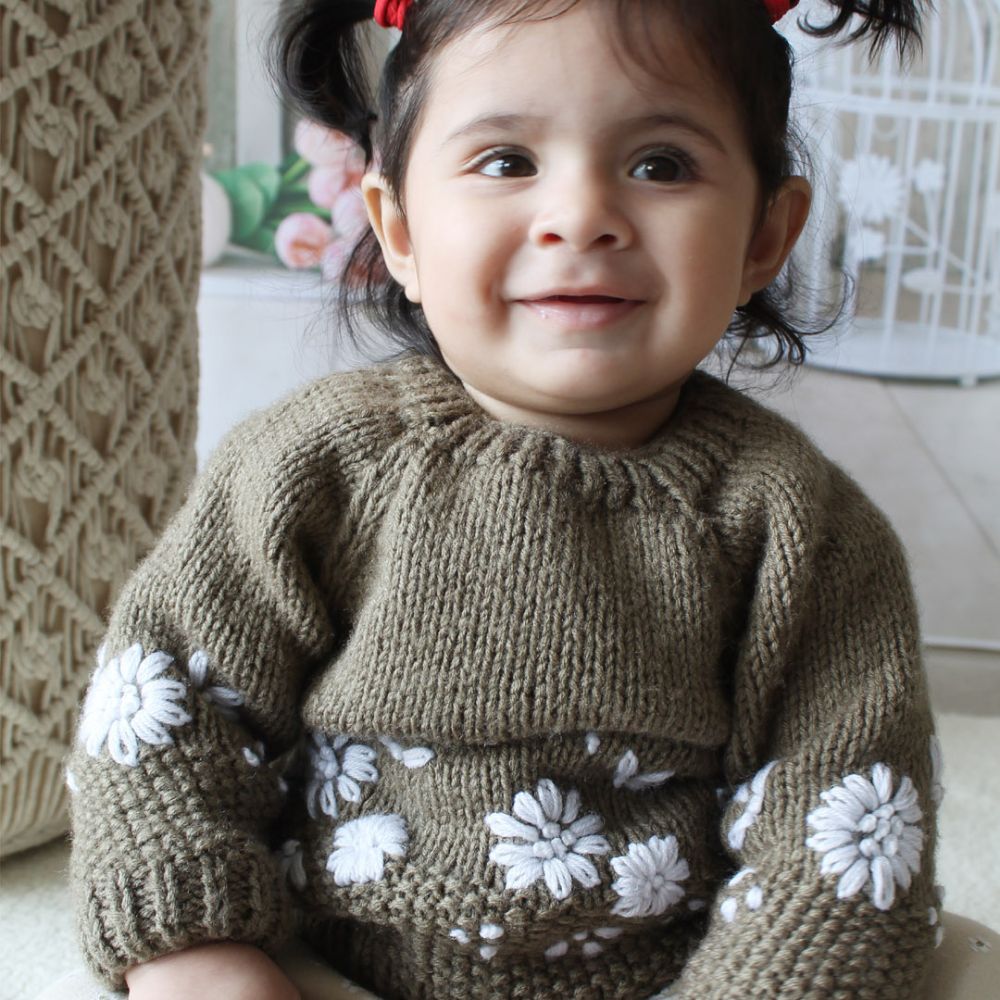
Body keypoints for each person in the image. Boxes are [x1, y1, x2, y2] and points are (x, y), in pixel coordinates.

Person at [58, 1, 991, 998]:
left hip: (687, 972)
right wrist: (200, 950)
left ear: (767, 235)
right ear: (399, 231)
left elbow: (841, 819)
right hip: (323, 961)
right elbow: (164, 718)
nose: (581, 213)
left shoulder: (797, 523)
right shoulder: (309, 468)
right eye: (506, 161)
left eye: (660, 164)